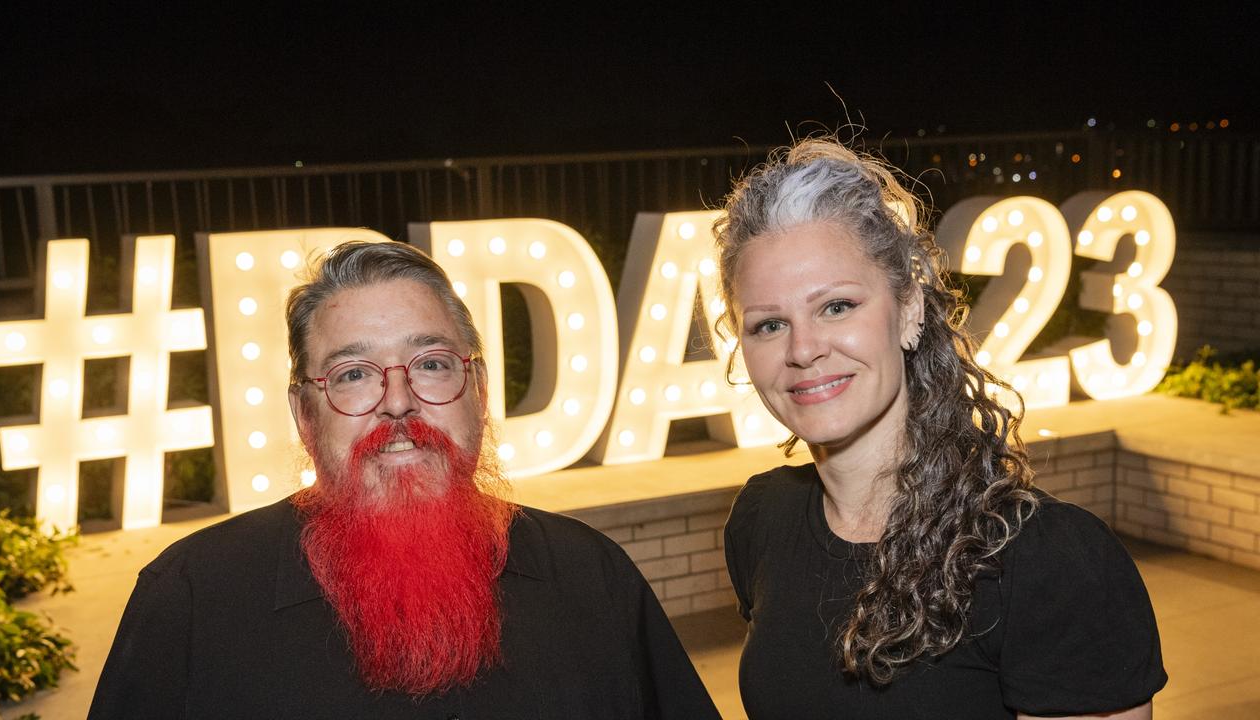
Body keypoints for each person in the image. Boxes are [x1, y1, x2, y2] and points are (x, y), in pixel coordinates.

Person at [88, 240, 720, 719]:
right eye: (354, 373)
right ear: (304, 414)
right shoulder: (192, 600)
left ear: (476, 390)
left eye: (432, 363)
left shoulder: (592, 576)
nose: (398, 402)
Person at [713, 138, 1166, 719]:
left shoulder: (1045, 562)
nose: (803, 349)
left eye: (837, 307)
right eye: (770, 323)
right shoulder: (761, 520)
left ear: (908, 310)